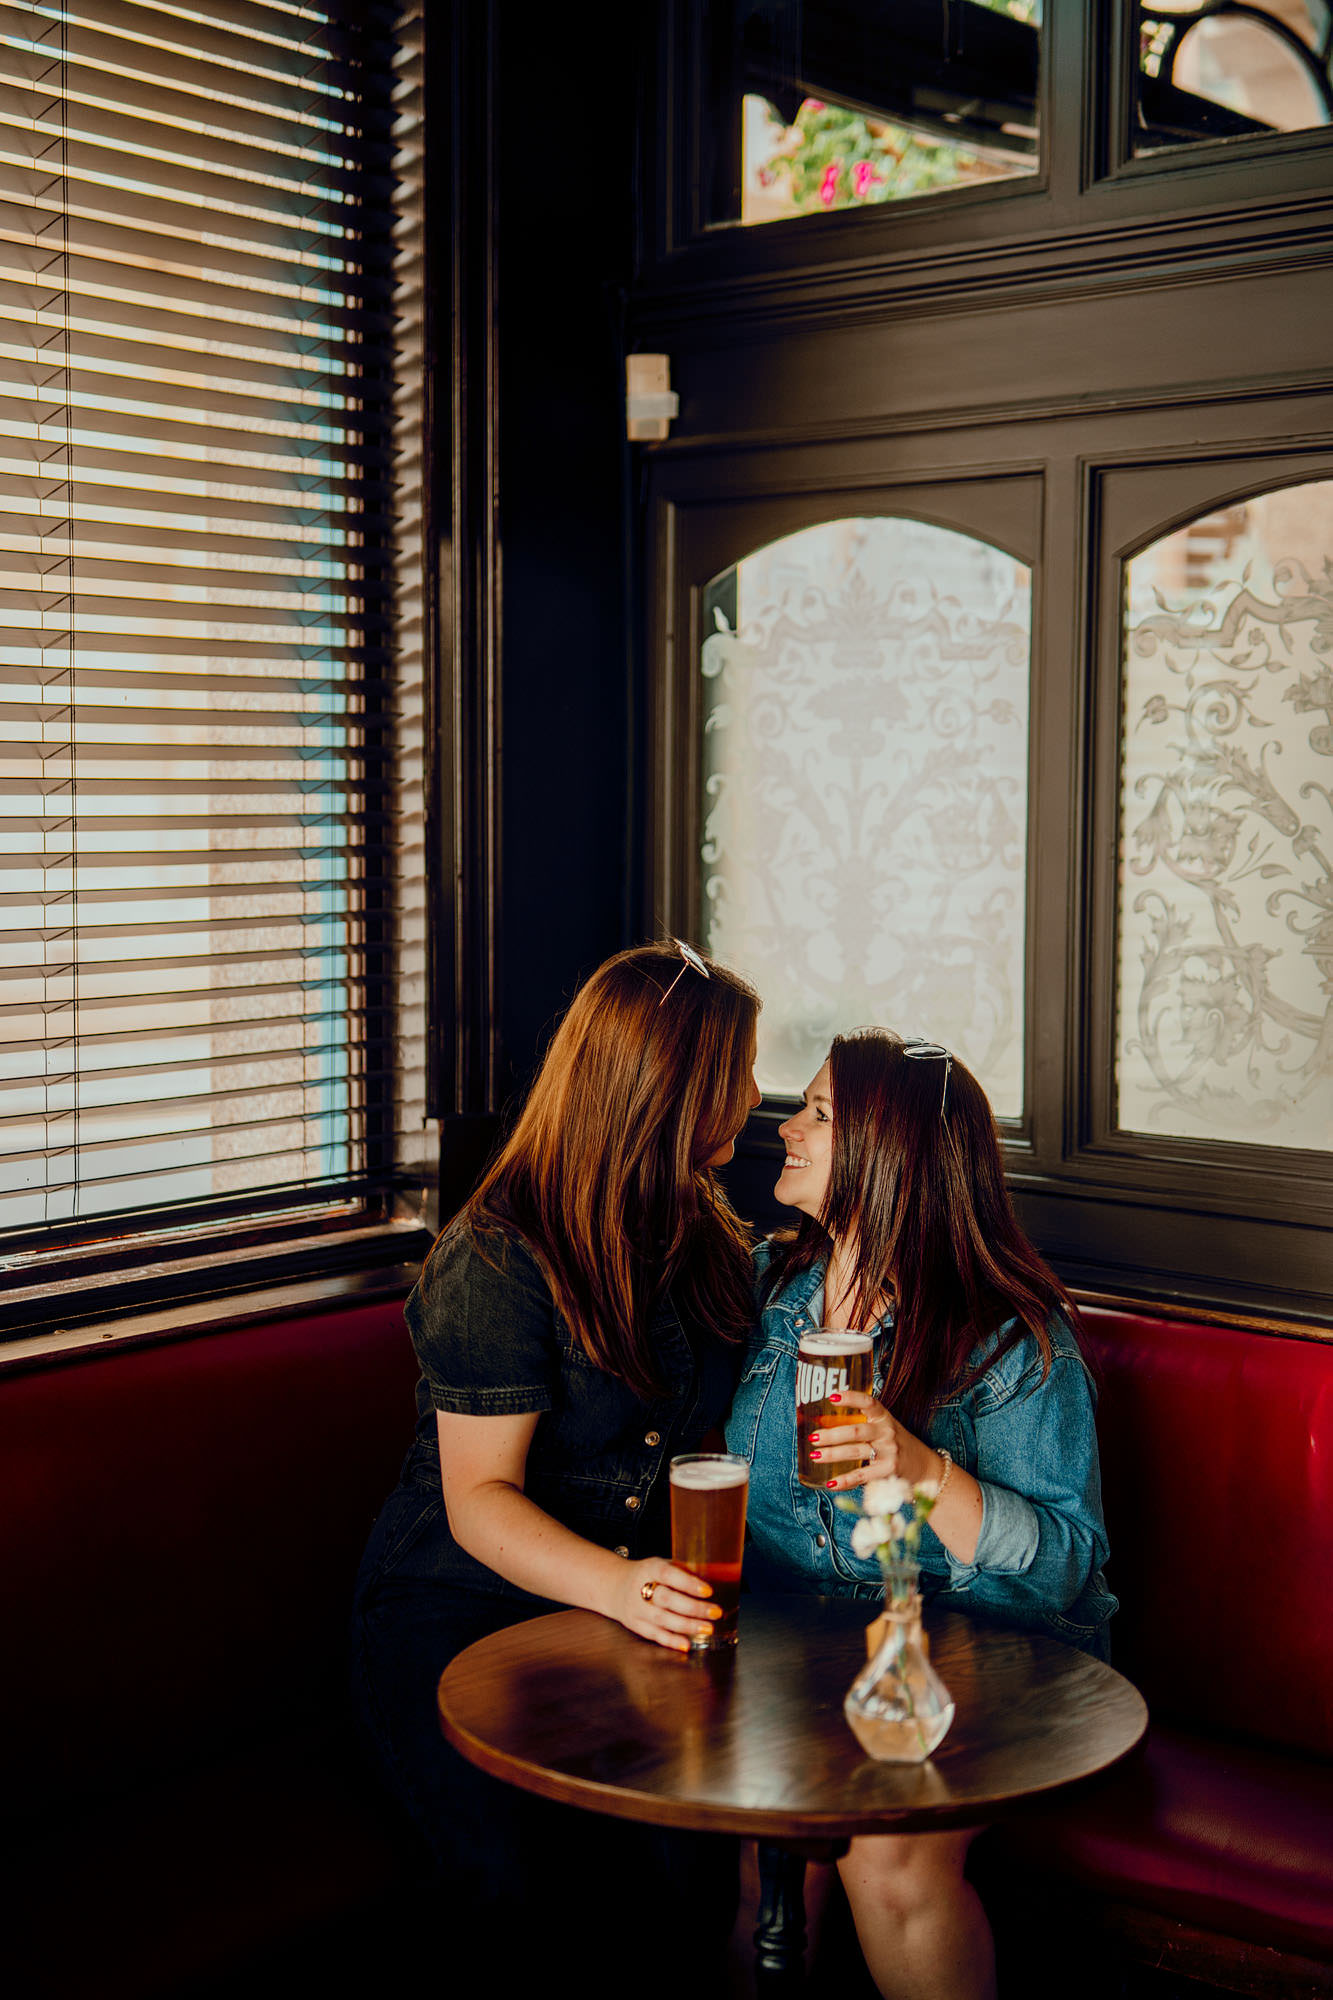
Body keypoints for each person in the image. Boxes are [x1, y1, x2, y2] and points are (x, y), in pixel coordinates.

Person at [351, 941, 761, 1984]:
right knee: (518, 1886)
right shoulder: (497, 1253)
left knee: (682, 1863)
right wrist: (620, 1584)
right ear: (670, 1090)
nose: (756, 1097)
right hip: (460, 1607)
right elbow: (477, 1500)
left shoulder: (699, 1230)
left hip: (623, 1608)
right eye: (737, 1073)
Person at [724, 1027, 1115, 2000]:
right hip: (812, 1645)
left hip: (998, 1651)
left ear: (887, 1150)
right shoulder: (777, 1290)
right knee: (767, 1845)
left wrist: (919, 1464)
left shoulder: (1011, 1335)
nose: (789, 1124)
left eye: (819, 1111)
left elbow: (1066, 1564)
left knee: (890, 1858)